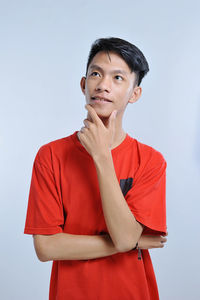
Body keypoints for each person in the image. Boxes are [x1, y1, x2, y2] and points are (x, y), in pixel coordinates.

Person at [24, 37, 167, 300]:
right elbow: (45, 247)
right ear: (83, 84)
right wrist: (136, 241)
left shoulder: (150, 161)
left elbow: (125, 238)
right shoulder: (50, 156)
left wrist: (101, 156)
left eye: (118, 78)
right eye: (96, 74)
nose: (102, 85)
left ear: (134, 94)